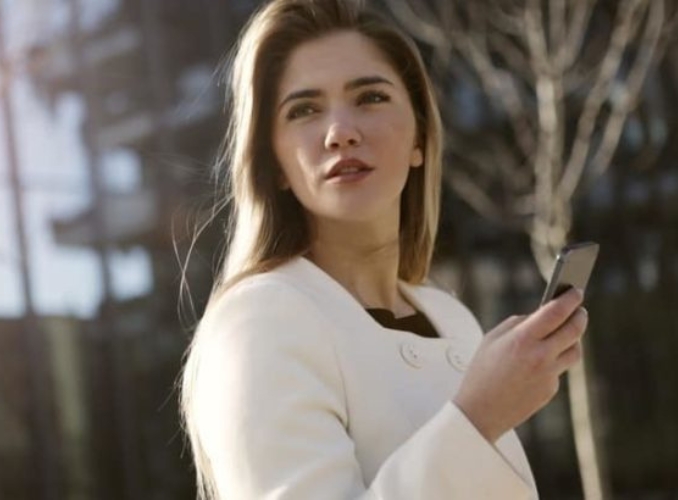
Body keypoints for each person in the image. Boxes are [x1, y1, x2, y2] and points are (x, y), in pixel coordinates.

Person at [179, 0, 588, 498]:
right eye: (304, 110)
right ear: (276, 165)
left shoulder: (449, 316)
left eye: (370, 97)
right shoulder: (259, 319)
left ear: (419, 137)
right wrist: (479, 415)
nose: (340, 132)